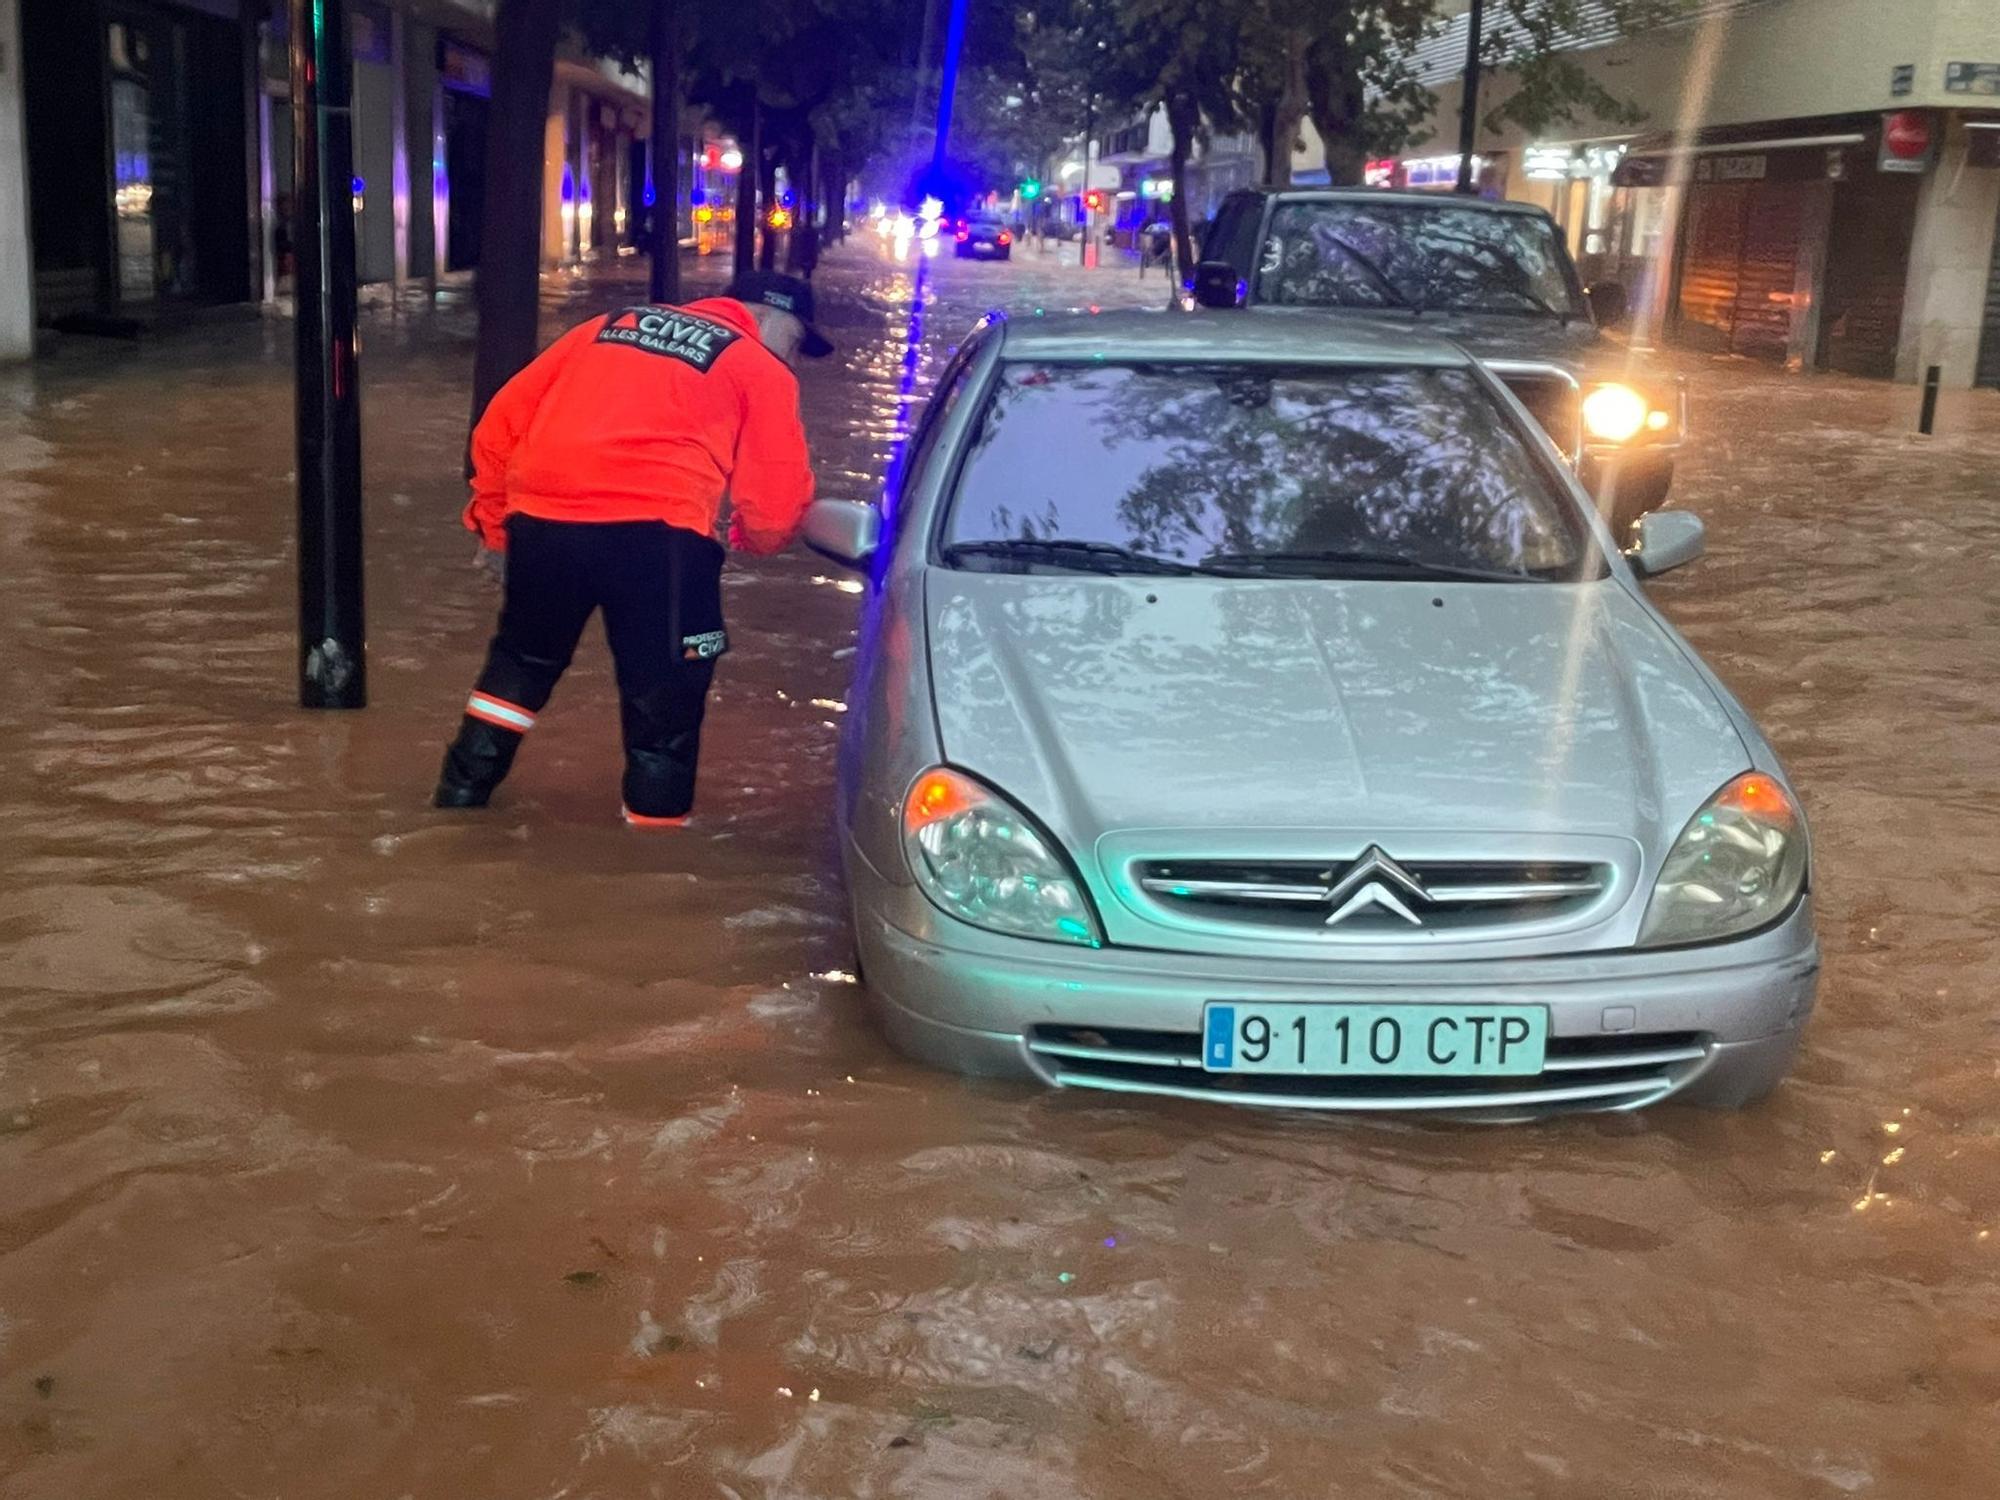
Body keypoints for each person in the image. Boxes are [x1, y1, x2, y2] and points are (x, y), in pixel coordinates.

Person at [433, 271, 830, 826]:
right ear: (766, 319)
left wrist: (497, 528)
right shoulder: (760, 367)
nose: (793, 361)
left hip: (545, 524)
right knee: (666, 705)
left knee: (520, 664)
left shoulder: (606, 326)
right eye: (794, 343)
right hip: (660, 539)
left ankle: (456, 803)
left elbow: (500, 425)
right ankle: (653, 856)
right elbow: (777, 500)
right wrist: (755, 538)